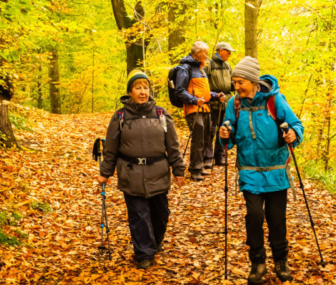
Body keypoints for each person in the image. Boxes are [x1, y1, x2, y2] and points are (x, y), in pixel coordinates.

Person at [219, 57, 304, 285]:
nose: (236, 87)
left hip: (276, 171)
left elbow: (297, 125)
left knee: (277, 219)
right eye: (234, 82)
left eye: (240, 82)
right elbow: (229, 134)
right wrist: (225, 134)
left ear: (253, 81)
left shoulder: (275, 100)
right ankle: (257, 263)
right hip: (249, 171)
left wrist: (293, 134)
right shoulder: (234, 104)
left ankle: (280, 261)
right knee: (254, 217)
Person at [97, 70, 185, 269]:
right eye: (138, 88)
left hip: (158, 172)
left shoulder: (161, 114)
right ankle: (144, 253)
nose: (143, 91)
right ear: (130, 92)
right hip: (131, 173)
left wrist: (178, 170)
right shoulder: (119, 116)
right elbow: (110, 148)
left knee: (161, 214)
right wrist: (105, 173)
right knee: (139, 216)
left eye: (145, 87)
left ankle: (154, 241)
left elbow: (173, 145)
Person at [174, 41, 226, 181]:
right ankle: (195, 169)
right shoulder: (185, 69)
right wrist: (194, 100)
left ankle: (200, 165)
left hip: (205, 108)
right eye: (205, 52)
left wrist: (216, 96)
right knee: (198, 137)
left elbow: (205, 92)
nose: (207, 55)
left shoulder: (201, 69)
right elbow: (180, 91)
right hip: (193, 109)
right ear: (198, 54)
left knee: (207, 136)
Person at [204, 42, 235, 167]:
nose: (230, 54)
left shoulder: (227, 66)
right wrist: (212, 96)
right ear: (220, 50)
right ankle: (207, 158)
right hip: (212, 102)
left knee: (223, 130)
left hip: (226, 102)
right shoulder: (209, 64)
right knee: (210, 131)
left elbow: (232, 83)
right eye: (228, 51)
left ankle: (219, 157)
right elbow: (203, 83)